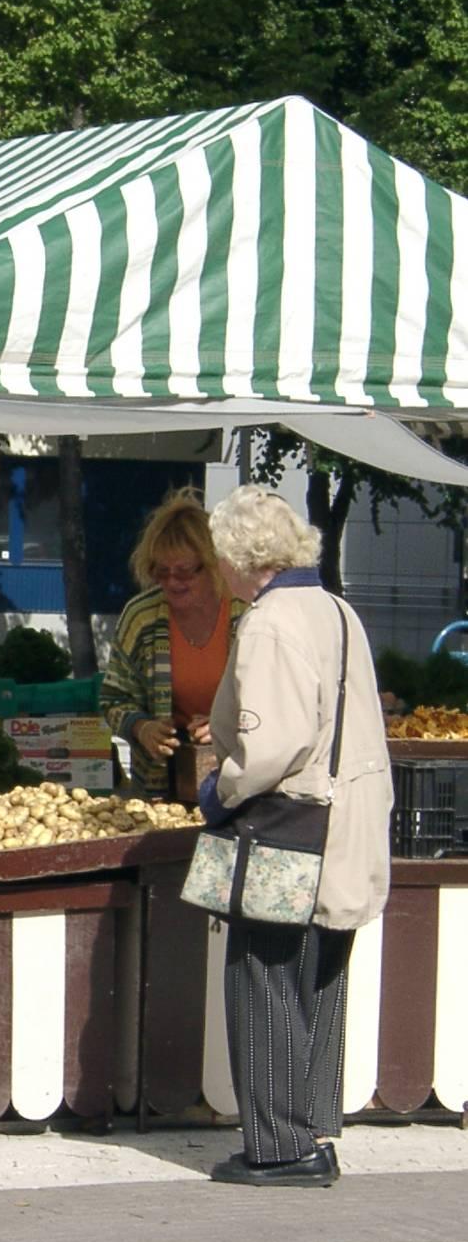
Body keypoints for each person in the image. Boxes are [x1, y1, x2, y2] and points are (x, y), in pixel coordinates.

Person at [197, 485, 392, 1188]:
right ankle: (312, 1131)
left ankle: (281, 1150)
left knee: (266, 979)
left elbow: (273, 743)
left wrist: (220, 790)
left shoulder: (272, 621)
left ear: (244, 557)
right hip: (344, 825)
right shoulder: (337, 608)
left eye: (220, 557)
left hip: (289, 828)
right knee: (319, 979)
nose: (219, 571)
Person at [100, 487, 245, 797]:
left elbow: (277, 701)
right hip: (162, 782)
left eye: (184, 572)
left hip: (242, 775)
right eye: (161, 572)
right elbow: (113, 699)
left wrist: (227, 723)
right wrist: (142, 727)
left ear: (213, 565)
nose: (171, 582)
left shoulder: (247, 613)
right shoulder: (142, 615)